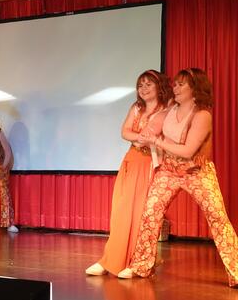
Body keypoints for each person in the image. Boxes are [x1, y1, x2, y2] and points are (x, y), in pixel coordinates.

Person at [118, 68, 238, 287]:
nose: (176, 87)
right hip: (169, 170)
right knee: (150, 213)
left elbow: (188, 151)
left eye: (182, 84)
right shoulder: (171, 108)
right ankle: (141, 266)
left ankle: (236, 271)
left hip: (196, 172)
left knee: (218, 218)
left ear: (195, 88)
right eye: (175, 84)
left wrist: (157, 141)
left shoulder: (202, 115)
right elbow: (150, 125)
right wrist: (141, 136)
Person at [85, 70, 173, 276]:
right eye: (140, 85)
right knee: (121, 211)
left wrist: (146, 139)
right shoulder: (137, 107)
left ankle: (137, 262)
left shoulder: (168, 110)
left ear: (159, 86)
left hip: (151, 164)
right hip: (132, 160)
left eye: (148, 84)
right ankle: (110, 259)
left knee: (142, 214)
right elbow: (124, 131)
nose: (143, 89)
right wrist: (140, 138)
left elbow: (165, 137)